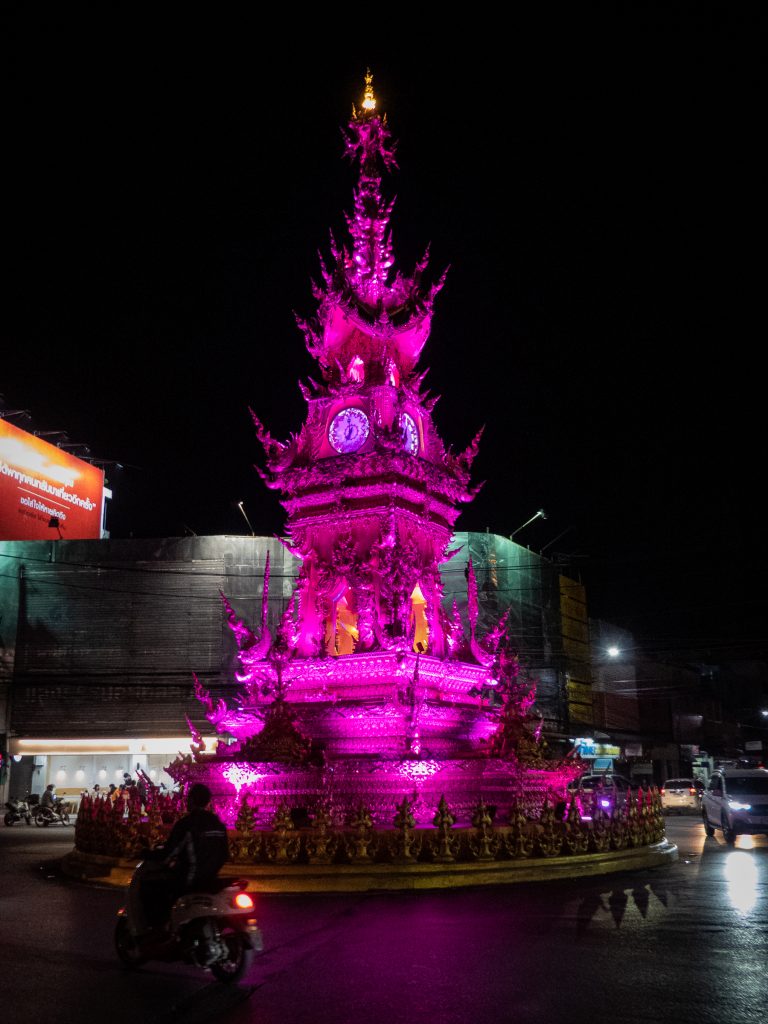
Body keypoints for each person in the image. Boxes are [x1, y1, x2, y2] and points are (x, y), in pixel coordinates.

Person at [141, 783, 228, 933]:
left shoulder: (187, 824)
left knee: (153, 888)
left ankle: (160, 929)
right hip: (212, 878)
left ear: (192, 801)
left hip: (190, 879)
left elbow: (169, 854)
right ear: (208, 802)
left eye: (188, 799)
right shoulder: (218, 824)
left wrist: (147, 854)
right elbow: (225, 854)